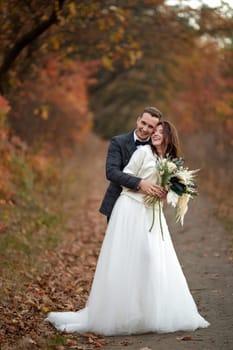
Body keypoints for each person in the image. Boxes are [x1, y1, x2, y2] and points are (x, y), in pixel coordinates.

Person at [46, 121, 209, 335]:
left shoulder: (170, 163)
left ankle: (149, 312)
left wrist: (165, 193)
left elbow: (167, 194)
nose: (156, 134)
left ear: (170, 137)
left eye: (161, 132)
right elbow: (125, 178)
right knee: (128, 259)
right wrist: (144, 187)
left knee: (151, 258)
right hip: (130, 208)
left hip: (151, 213)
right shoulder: (142, 152)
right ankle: (122, 314)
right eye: (155, 131)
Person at [99, 106, 167, 220]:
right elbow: (111, 172)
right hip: (118, 202)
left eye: (150, 127)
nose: (145, 129)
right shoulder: (118, 141)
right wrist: (140, 183)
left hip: (146, 207)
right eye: (143, 123)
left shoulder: (158, 147)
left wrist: (165, 189)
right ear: (138, 120)